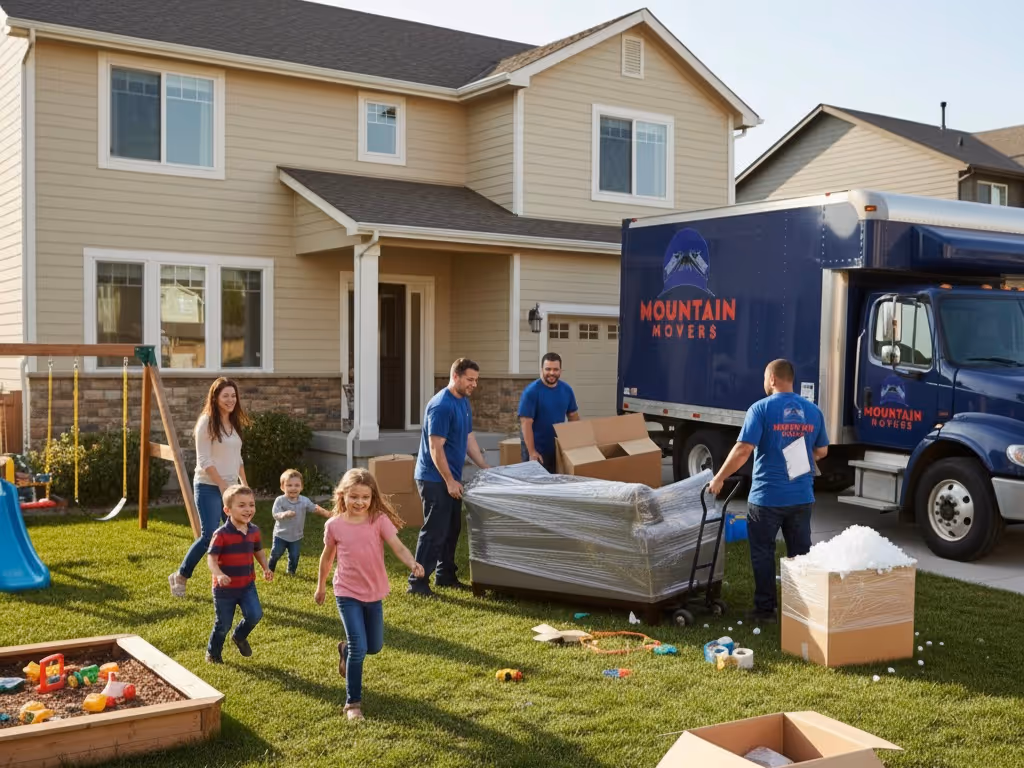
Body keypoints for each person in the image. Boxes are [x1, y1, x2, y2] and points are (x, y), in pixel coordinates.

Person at [708, 359, 829, 623]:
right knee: (800, 555)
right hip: (801, 497)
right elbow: (822, 451)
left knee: (763, 553)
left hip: (766, 498)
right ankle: (802, 610)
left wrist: (719, 478)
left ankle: (765, 610)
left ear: (772, 379)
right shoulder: (812, 411)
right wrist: (798, 458)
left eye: (765, 378)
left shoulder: (760, 409)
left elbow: (743, 450)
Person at [314, 468, 424, 721]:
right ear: (343, 495)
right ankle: (352, 704)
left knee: (373, 646)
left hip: (374, 592)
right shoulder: (334, 525)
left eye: (365, 497)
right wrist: (321, 586)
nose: (359, 502)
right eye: (354, 497)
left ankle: (345, 651)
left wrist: (412, 563)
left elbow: (398, 547)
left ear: (373, 497)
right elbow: (327, 558)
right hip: (347, 592)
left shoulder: (378, 520)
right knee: (359, 647)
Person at [408, 358, 490, 597]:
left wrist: (485, 467)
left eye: (476, 380)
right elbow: (436, 448)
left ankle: (445, 576)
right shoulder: (442, 405)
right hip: (434, 478)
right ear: (455, 376)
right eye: (470, 379)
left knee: (452, 528)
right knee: (434, 531)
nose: (474, 384)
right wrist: (449, 481)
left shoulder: (463, 401)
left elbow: (468, 438)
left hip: (450, 477)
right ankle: (417, 583)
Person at [170, 377, 250, 598]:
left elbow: (237, 458)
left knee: (236, 533)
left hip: (231, 487)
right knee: (209, 536)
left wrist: (244, 484)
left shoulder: (233, 422)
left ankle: (230, 580)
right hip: (208, 486)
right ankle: (180, 576)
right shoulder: (206, 422)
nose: (230, 400)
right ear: (215, 398)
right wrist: (223, 485)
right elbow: (204, 460)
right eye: (225, 396)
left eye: (233, 396)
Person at [205, 484, 272, 663]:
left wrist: (265, 567)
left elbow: (258, 551)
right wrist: (219, 574)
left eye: (251, 504)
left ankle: (239, 636)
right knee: (223, 624)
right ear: (227, 510)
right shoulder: (221, 534)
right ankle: (213, 653)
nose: (248, 509)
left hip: (247, 585)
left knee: (255, 615)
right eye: (241, 505)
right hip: (224, 590)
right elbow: (211, 559)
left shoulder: (254, 530)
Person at [518, 353, 580, 473]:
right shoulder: (531, 392)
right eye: (548, 369)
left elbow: (573, 416)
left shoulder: (567, 390)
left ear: (560, 371)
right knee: (535, 484)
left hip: (557, 449)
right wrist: (532, 452)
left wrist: (576, 443)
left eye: (555, 369)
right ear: (541, 370)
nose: (552, 373)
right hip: (537, 451)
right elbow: (526, 423)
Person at [268, 469, 332, 575]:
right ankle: (270, 569)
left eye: (297, 485)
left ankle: (291, 572)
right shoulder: (280, 500)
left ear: (301, 487)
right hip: (281, 535)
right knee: (276, 553)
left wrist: (328, 514)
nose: (293, 488)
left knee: (294, 556)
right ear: (282, 487)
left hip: (296, 536)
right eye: (289, 485)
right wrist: (284, 514)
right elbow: (275, 514)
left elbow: (315, 508)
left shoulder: (304, 501)